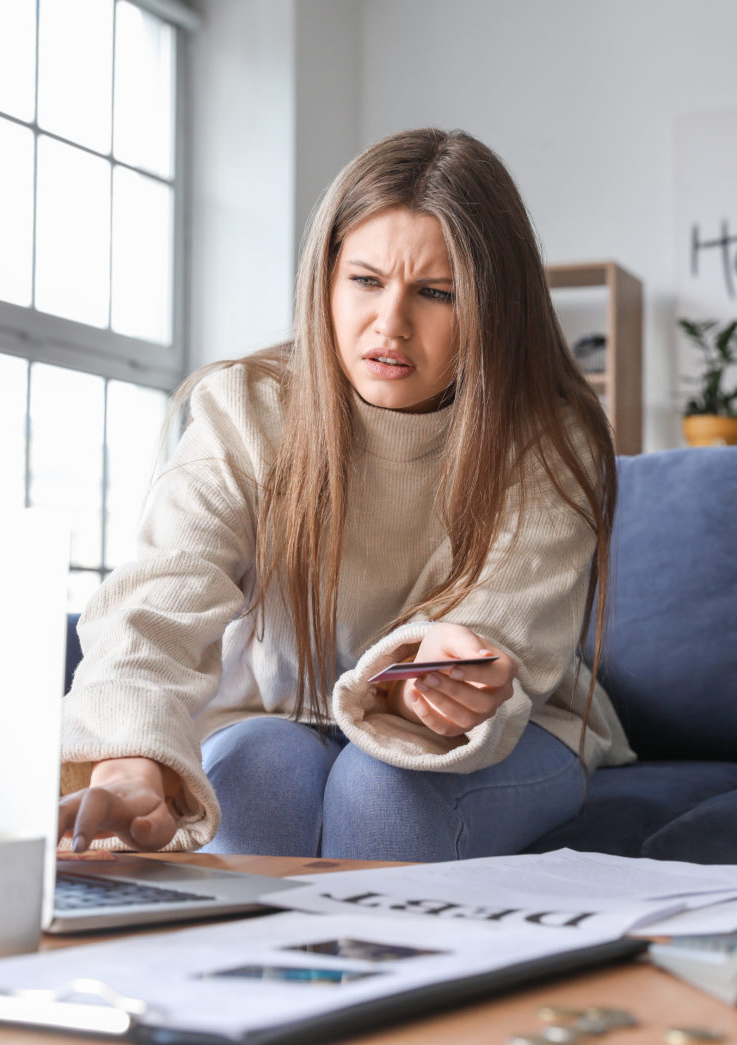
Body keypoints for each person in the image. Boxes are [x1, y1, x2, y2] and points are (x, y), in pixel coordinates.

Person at [57, 128, 635, 863]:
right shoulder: (246, 408)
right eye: (365, 280)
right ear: (325, 279)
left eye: (436, 293)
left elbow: (505, 629)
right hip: (275, 714)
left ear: (495, 306)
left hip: (499, 732)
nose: (389, 323)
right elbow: (161, 598)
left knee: (381, 792)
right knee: (257, 781)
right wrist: (128, 755)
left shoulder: (548, 435)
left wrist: (437, 680)